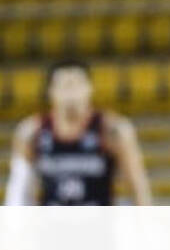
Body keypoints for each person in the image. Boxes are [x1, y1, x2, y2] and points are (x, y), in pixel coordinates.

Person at [4, 60, 151, 206]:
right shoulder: (32, 131)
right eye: (64, 85)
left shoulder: (112, 129)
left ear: (90, 88)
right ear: (50, 91)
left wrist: (144, 218)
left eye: (76, 84)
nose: (71, 92)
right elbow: (19, 190)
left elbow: (137, 186)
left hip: (99, 218)